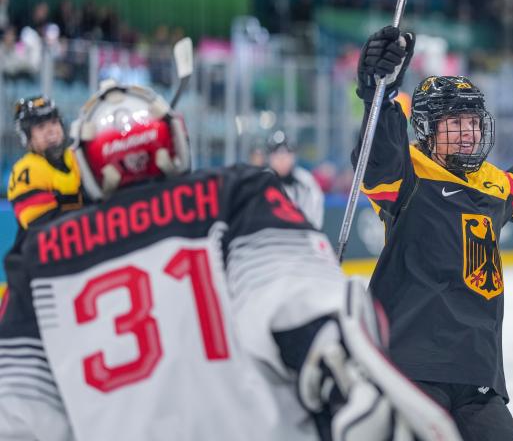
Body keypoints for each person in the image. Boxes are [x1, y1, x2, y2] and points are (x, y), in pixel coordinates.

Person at [0, 81, 462, 441]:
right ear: (174, 142)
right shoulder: (229, 194)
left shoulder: (37, 261)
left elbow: (19, 413)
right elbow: (305, 302)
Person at [353, 26, 513, 440]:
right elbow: (377, 158)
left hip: (478, 376)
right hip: (411, 368)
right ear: (428, 129)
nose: (468, 131)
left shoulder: (490, 183)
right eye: (455, 121)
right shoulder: (408, 174)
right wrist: (379, 94)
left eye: (473, 120)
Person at [7, 96, 82, 236]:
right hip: (42, 255)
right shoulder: (25, 171)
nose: (51, 130)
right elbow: (41, 229)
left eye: (54, 122)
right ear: (28, 138)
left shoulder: (78, 156)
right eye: (41, 127)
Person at [267, 130, 325, 230]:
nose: (282, 160)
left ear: (293, 156)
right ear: (269, 157)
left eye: (286, 155)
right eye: (277, 155)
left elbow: (315, 218)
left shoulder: (306, 181)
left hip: (302, 239)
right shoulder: (260, 182)